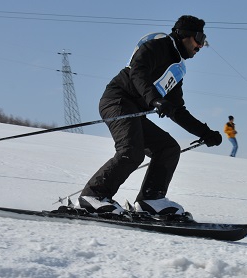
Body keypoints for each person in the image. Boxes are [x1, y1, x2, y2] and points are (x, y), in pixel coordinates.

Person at [78, 15, 222, 215]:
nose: (201, 45)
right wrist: (155, 99)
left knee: (168, 148)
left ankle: (151, 199)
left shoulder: (176, 68)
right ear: (184, 35)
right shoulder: (158, 46)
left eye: (203, 41)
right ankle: (93, 195)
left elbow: (177, 110)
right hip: (117, 101)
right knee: (132, 150)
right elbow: (138, 72)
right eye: (199, 38)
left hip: (134, 111)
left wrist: (205, 132)